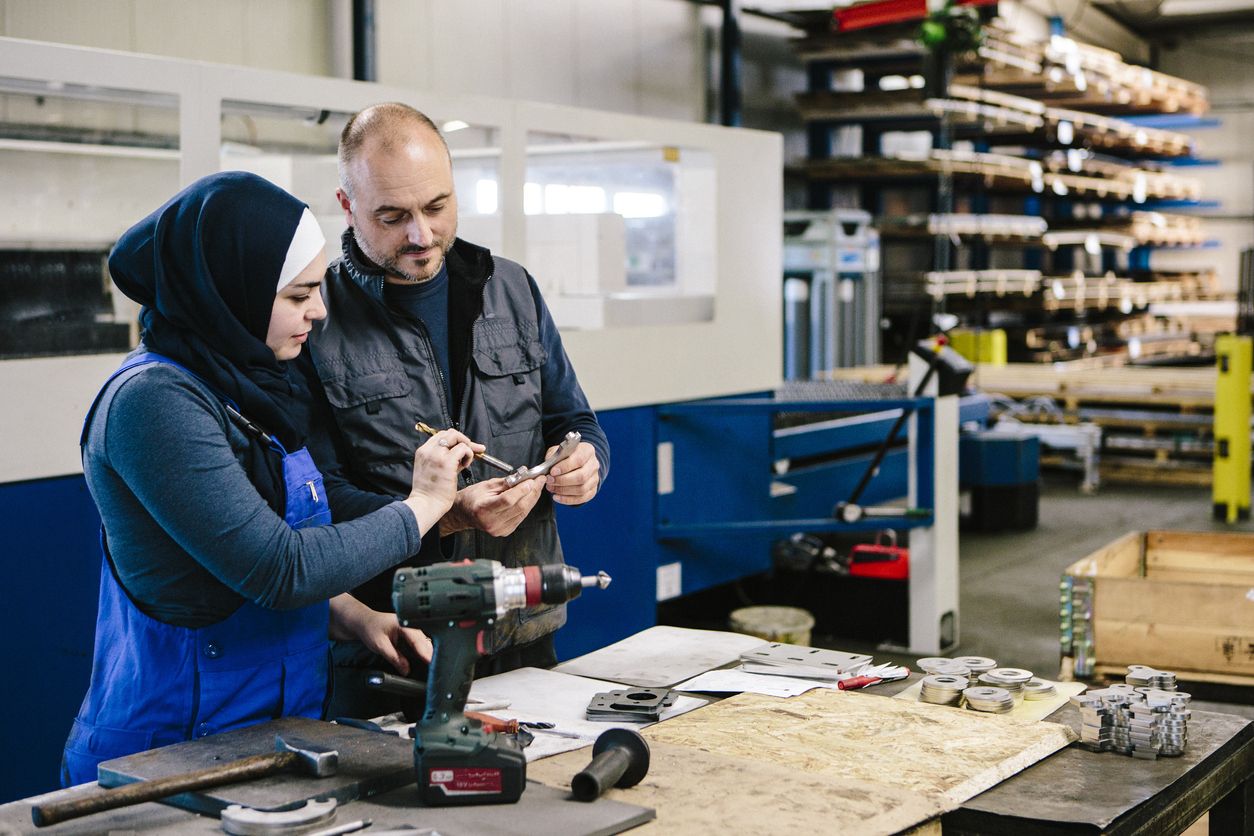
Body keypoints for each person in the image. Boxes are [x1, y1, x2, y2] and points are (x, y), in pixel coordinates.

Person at [63, 171, 479, 785]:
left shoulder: (253, 385)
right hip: (168, 754)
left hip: (277, 739)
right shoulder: (153, 404)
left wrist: (361, 620)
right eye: (298, 294)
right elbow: (277, 568)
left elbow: (262, 542)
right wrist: (422, 506)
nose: (319, 310)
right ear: (232, 291)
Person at [301, 103, 610, 709]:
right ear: (347, 205)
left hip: (522, 627)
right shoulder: (316, 319)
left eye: (436, 207)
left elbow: (575, 422)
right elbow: (314, 500)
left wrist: (584, 462)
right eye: (393, 217)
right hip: (395, 643)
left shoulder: (512, 287)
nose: (421, 235)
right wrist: (445, 514)